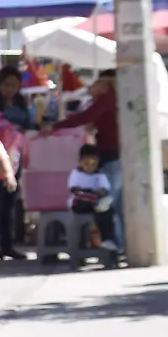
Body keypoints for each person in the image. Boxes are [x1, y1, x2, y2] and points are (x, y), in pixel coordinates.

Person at [44, 70, 122, 251]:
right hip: (109, 154)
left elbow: (84, 117)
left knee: (109, 203)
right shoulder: (108, 100)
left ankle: (117, 244)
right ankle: (116, 243)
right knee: (110, 202)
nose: (90, 89)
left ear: (104, 84)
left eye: (93, 85)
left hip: (112, 156)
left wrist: (55, 126)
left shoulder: (107, 98)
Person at [68, 144, 120, 251]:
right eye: (87, 163)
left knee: (108, 210)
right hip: (79, 204)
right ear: (80, 161)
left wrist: (98, 193)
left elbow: (104, 189)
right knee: (85, 201)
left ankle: (107, 239)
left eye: (94, 163)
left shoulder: (100, 175)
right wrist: (89, 193)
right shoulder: (76, 173)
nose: (90, 166)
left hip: (95, 203)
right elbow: (74, 190)